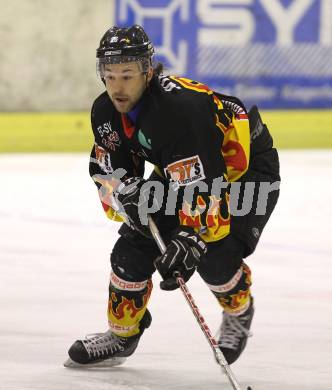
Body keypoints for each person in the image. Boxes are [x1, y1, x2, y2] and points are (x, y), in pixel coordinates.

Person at [64, 25, 280, 368]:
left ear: (147, 72)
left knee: (214, 254)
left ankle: (239, 311)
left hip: (245, 172)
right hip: (182, 170)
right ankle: (123, 335)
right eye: (110, 75)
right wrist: (125, 197)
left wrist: (189, 237)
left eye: (127, 75)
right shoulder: (105, 111)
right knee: (132, 250)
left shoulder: (180, 112)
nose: (117, 87)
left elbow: (206, 189)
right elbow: (109, 172)